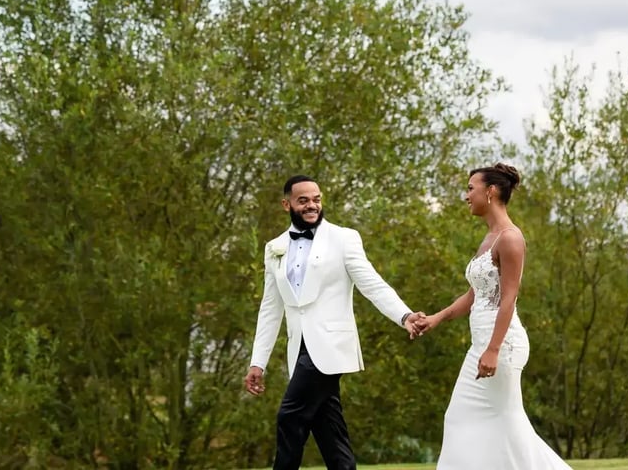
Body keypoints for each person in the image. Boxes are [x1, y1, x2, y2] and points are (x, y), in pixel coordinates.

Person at [245, 174, 423, 470]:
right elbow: (270, 308)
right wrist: (257, 362)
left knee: (289, 417)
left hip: (331, 345)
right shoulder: (274, 247)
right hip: (299, 350)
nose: (312, 205)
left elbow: (371, 284)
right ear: (286, 204)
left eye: (316, 199)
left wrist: (403, 315)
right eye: (303, 200)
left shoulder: (343, 238)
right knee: (329, 432)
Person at [413, 163, 573, 469]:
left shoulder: (511, 238)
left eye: (470, 189)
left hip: (502, 346)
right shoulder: (489, 238)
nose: (466, 196)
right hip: (481, 345)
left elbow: (509, 298)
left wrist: (494, 349)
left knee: (509, 425)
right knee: (459, 419)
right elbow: (474, 295)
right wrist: (436, 318)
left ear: (491, 191)